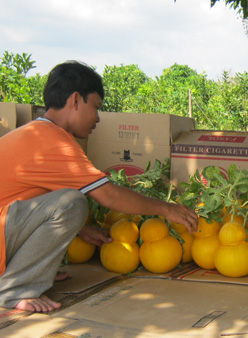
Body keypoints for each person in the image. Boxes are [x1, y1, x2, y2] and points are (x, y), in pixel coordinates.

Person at [0, 61, 198, 313]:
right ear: (75, 100)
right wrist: (167, 209)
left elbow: (28, 201)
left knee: (68, 203)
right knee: (72, 202)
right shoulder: (53, 140)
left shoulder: (35, 133)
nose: (98, 118)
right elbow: (109, 196)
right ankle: (14, 290)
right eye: (96, 106)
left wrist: (78, 231)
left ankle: (25, 274)